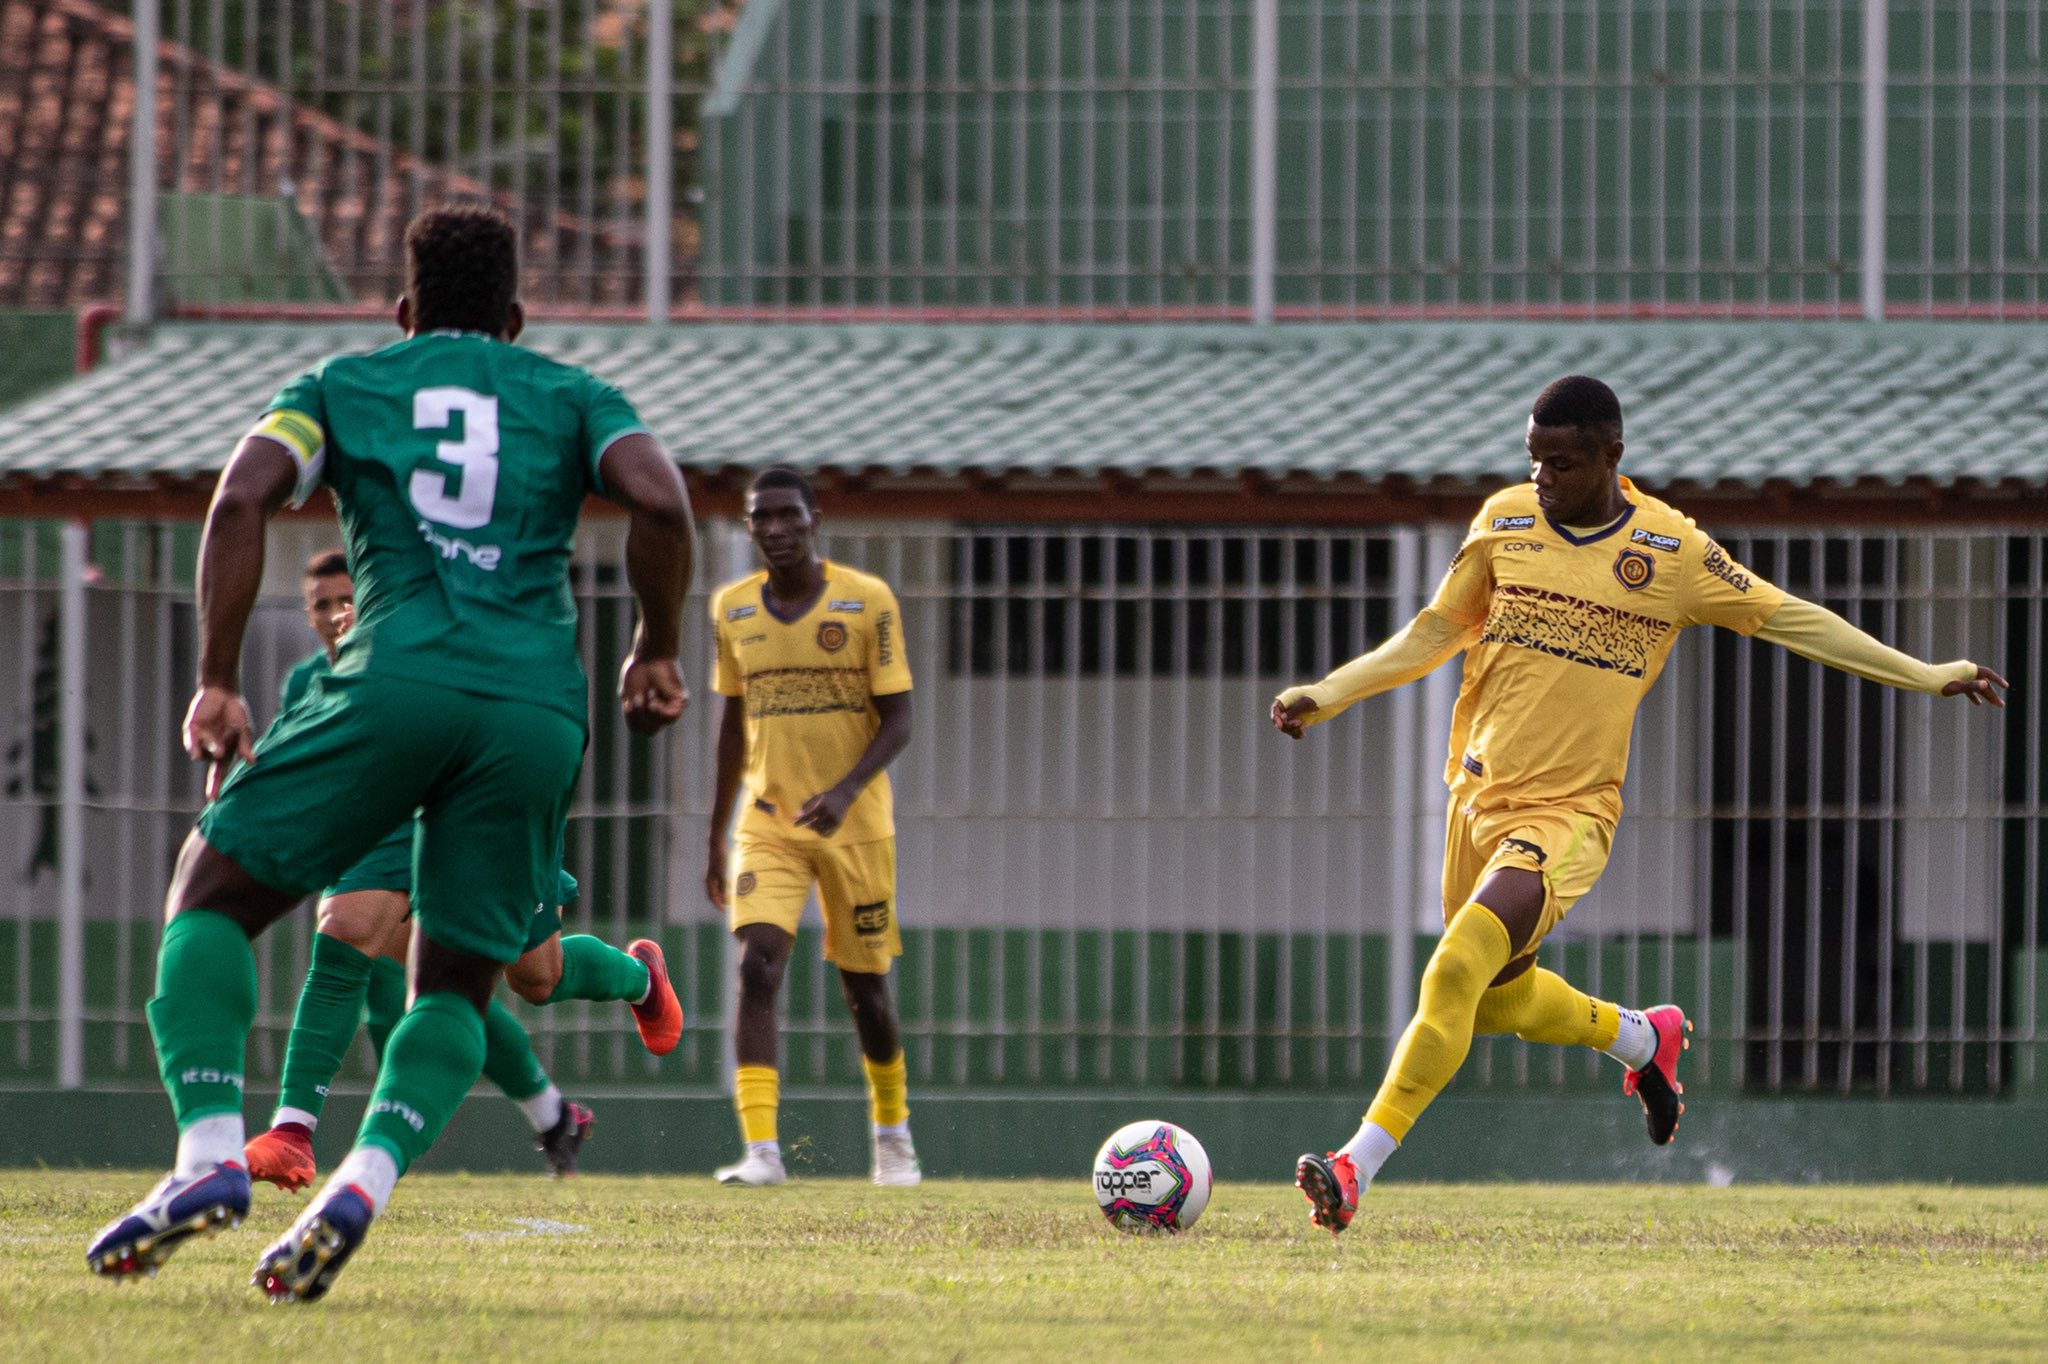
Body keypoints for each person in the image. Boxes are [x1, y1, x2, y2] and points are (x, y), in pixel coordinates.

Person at [85, 204, 693, 1300]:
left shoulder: (341, 384)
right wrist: (653, 647)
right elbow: (659, 497)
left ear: (403, 310)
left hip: (396, 678)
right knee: (460, 979)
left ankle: (207, 1157)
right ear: (514, 316)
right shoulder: (573, 396)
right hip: (535, 709)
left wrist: (218, 676)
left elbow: (242, 494)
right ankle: (361, 1176)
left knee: (211, 894)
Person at [1280, 375, 2008, 1235]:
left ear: (1613, 456)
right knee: (1498, 1001)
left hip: (1570, 815)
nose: (1546, 476)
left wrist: (1926, 673)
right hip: (1476, 797)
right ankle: (1640, 1038)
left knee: (1453, 968)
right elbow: (1438, 629)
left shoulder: (1672, 552)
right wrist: (1330, 692)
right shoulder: (1504, 522)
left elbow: (1795, 619)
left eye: (1566, 461)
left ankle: (1353, 1166)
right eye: (1536, 459)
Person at [240, 551, 682, 1189]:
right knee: (348, 929)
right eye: (325, 603)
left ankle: (640, 978)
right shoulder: (316, 682)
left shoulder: (456, 615)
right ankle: (293, 1131)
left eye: (351, 599)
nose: (340, 613)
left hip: (491, 779)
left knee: (534, 976)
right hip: (391, 806)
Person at [703, 467, 920, 1188]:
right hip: (767, 823)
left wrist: (847, 788)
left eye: (787, 514)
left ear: (814, 519)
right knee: (756, 963)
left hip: (855, 825)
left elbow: (899, 720)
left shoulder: (867, 602)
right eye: (760, 517)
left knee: (867, 991)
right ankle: (762, 1151)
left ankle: (893, 1137)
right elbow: (732, 725)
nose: (774, 528)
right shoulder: (732, 610)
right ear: (749, 527)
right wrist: (714, 834)